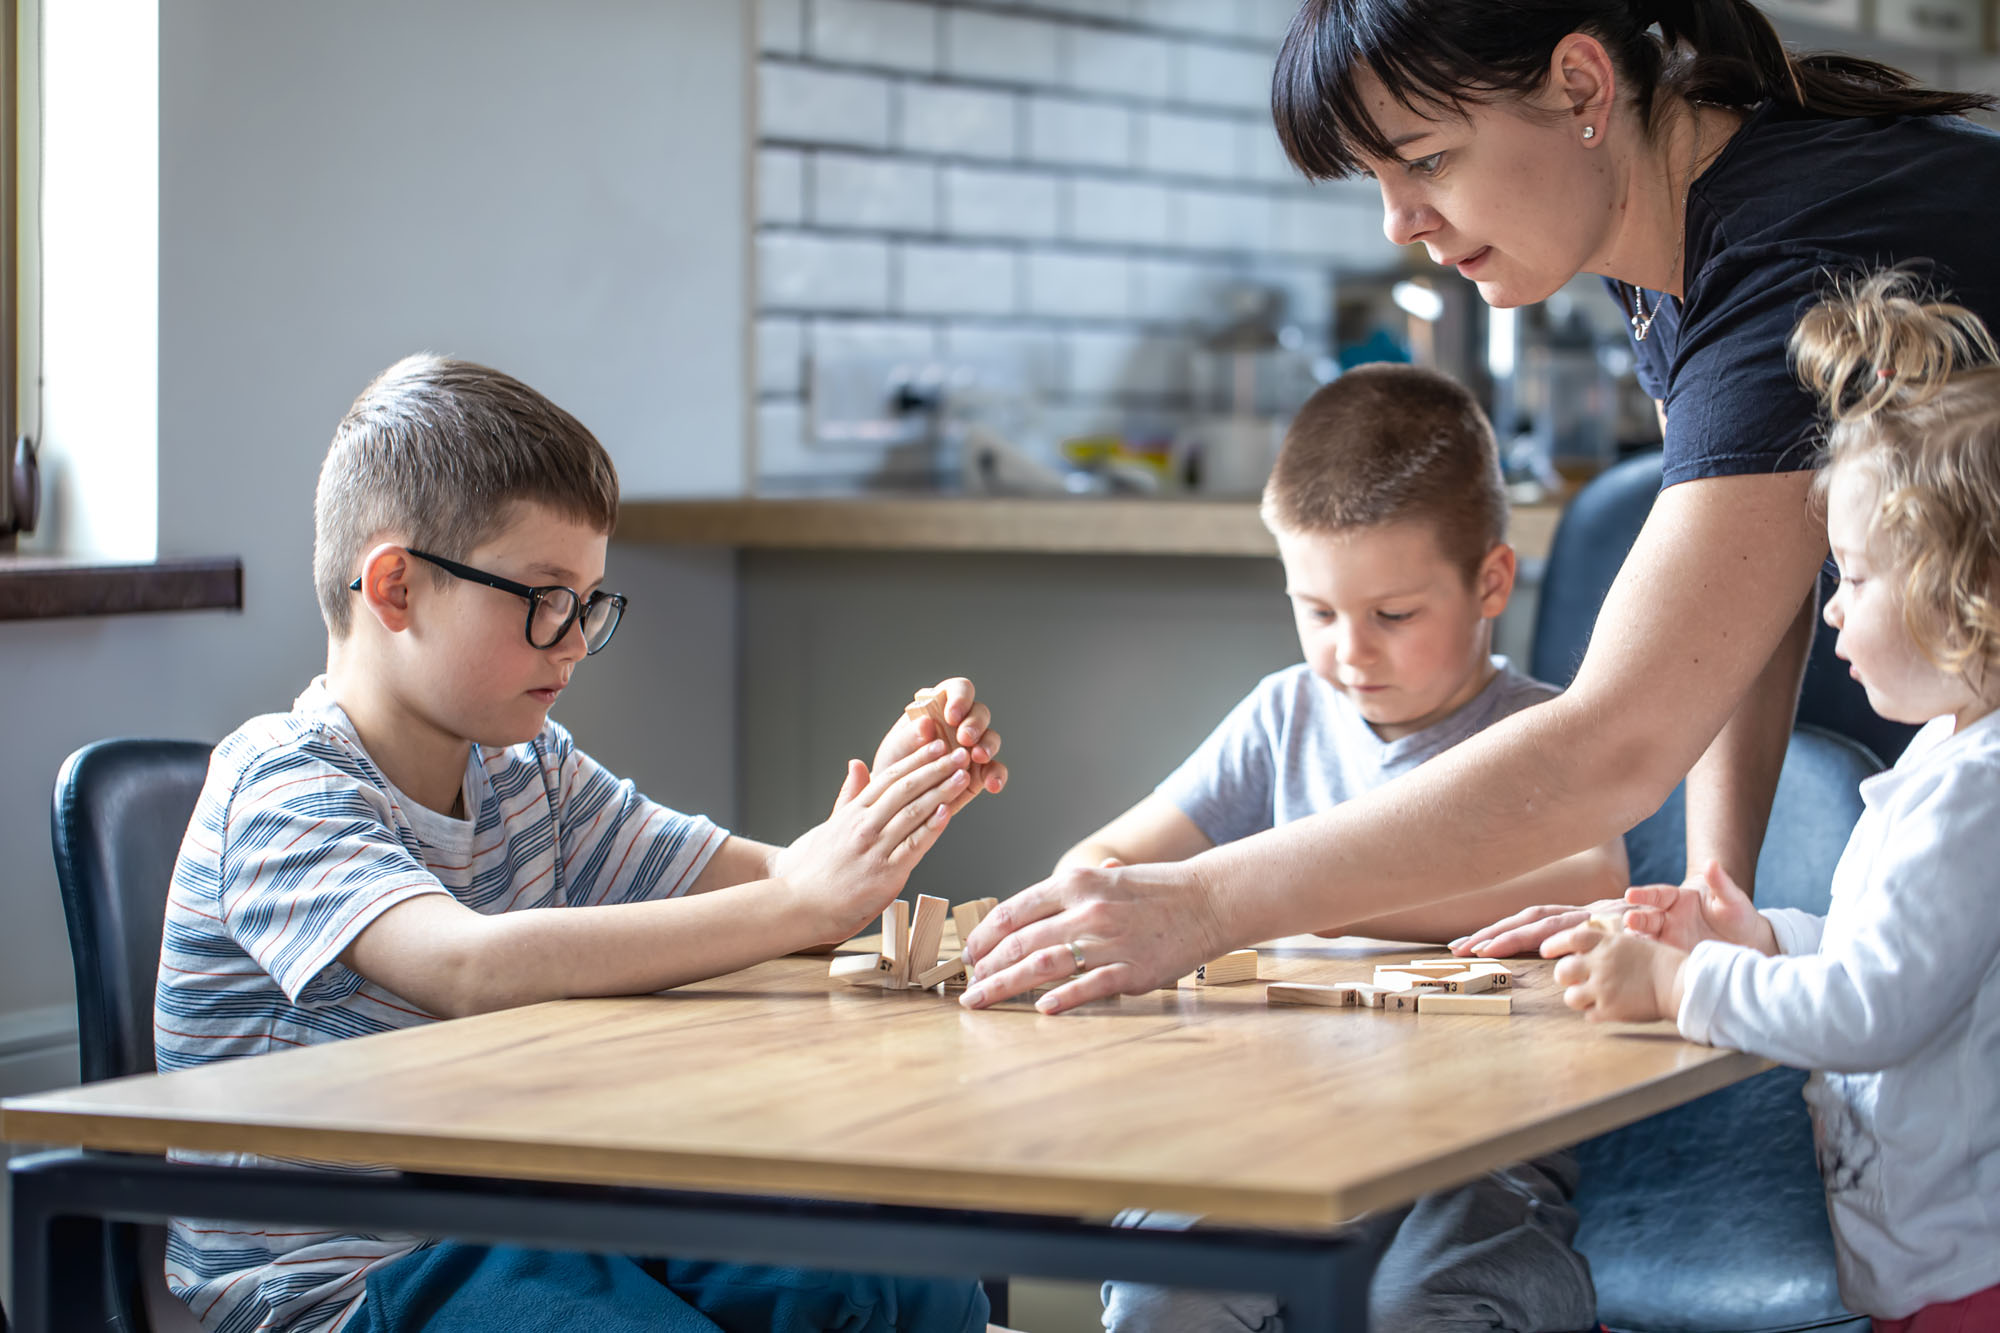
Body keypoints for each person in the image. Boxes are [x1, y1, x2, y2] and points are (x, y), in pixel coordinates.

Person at [957, 0, 2000, 1014]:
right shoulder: (1669, 249)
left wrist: (1204, 902)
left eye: (1425, 159)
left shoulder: (1778, 254)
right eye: (1375, 176)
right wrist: (1712, 890)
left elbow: (1614, 743)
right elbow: (1745, 596)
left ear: (1580, 87)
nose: (1397, 220)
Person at [156, 354, 1008, 1333]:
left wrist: (885, 803)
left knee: (903, 1284)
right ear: (394, 587)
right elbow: (465, 966)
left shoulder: (530, 773)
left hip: (533, 1218)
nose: (571, 640)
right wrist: (800, 898)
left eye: (588, 602)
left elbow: (779, 892)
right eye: (543, 595)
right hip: (344, 1281)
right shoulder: (281, 786)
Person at [1071, 363, 1618, 1333]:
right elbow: (1109, 861)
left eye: (1391, 615)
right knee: (1165, 1292)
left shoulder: (1540, 735)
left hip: (1479, 1142)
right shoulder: (1283, 713)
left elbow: (1589, 879)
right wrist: (1092, 887)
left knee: (1426, 1308)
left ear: (1490, 581)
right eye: (1316, 611)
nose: (1348, 654)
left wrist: (1283, 891)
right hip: (1278, 1124)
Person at [1543, 272, 2000, 1331]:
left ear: (1970, 588)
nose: (1828, 610)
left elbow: (1872, 1011)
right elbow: (1888, 954)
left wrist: (1680, 983)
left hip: (1966, 1272)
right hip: (1937, 1254)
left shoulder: (1973, 796)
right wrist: (1759, 938)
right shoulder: (1950, 760)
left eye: (1852, 574)